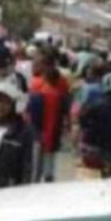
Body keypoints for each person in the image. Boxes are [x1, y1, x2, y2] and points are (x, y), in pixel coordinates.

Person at [26, 51, 71, 183]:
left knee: (37, 159)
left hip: (38, 128)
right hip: (55, 126)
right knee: (50, 156)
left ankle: (36, 181)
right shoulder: (62, 81)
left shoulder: (36, 83)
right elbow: (66, 104)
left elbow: (30, 110)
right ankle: (48, 178)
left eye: (38, 64)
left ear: (45, 66)